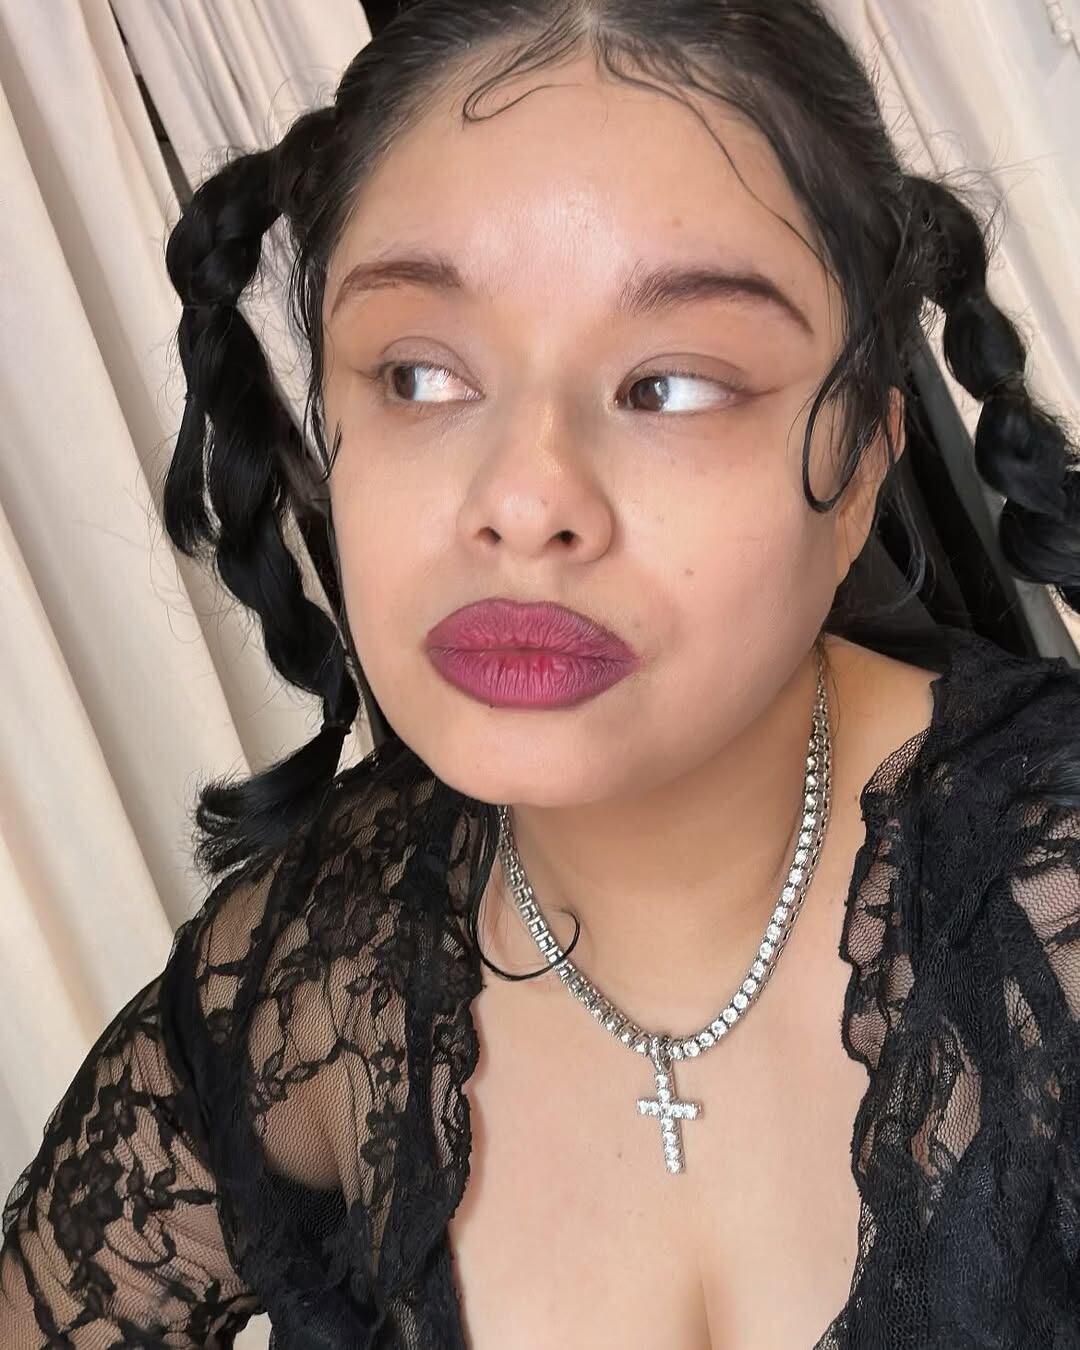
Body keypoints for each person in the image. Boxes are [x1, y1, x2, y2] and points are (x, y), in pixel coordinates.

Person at [3, 0, 1080, 1345]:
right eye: (417, 374)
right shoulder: (302, 987)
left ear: (863, 461)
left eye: (670, 386)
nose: (521, 500)